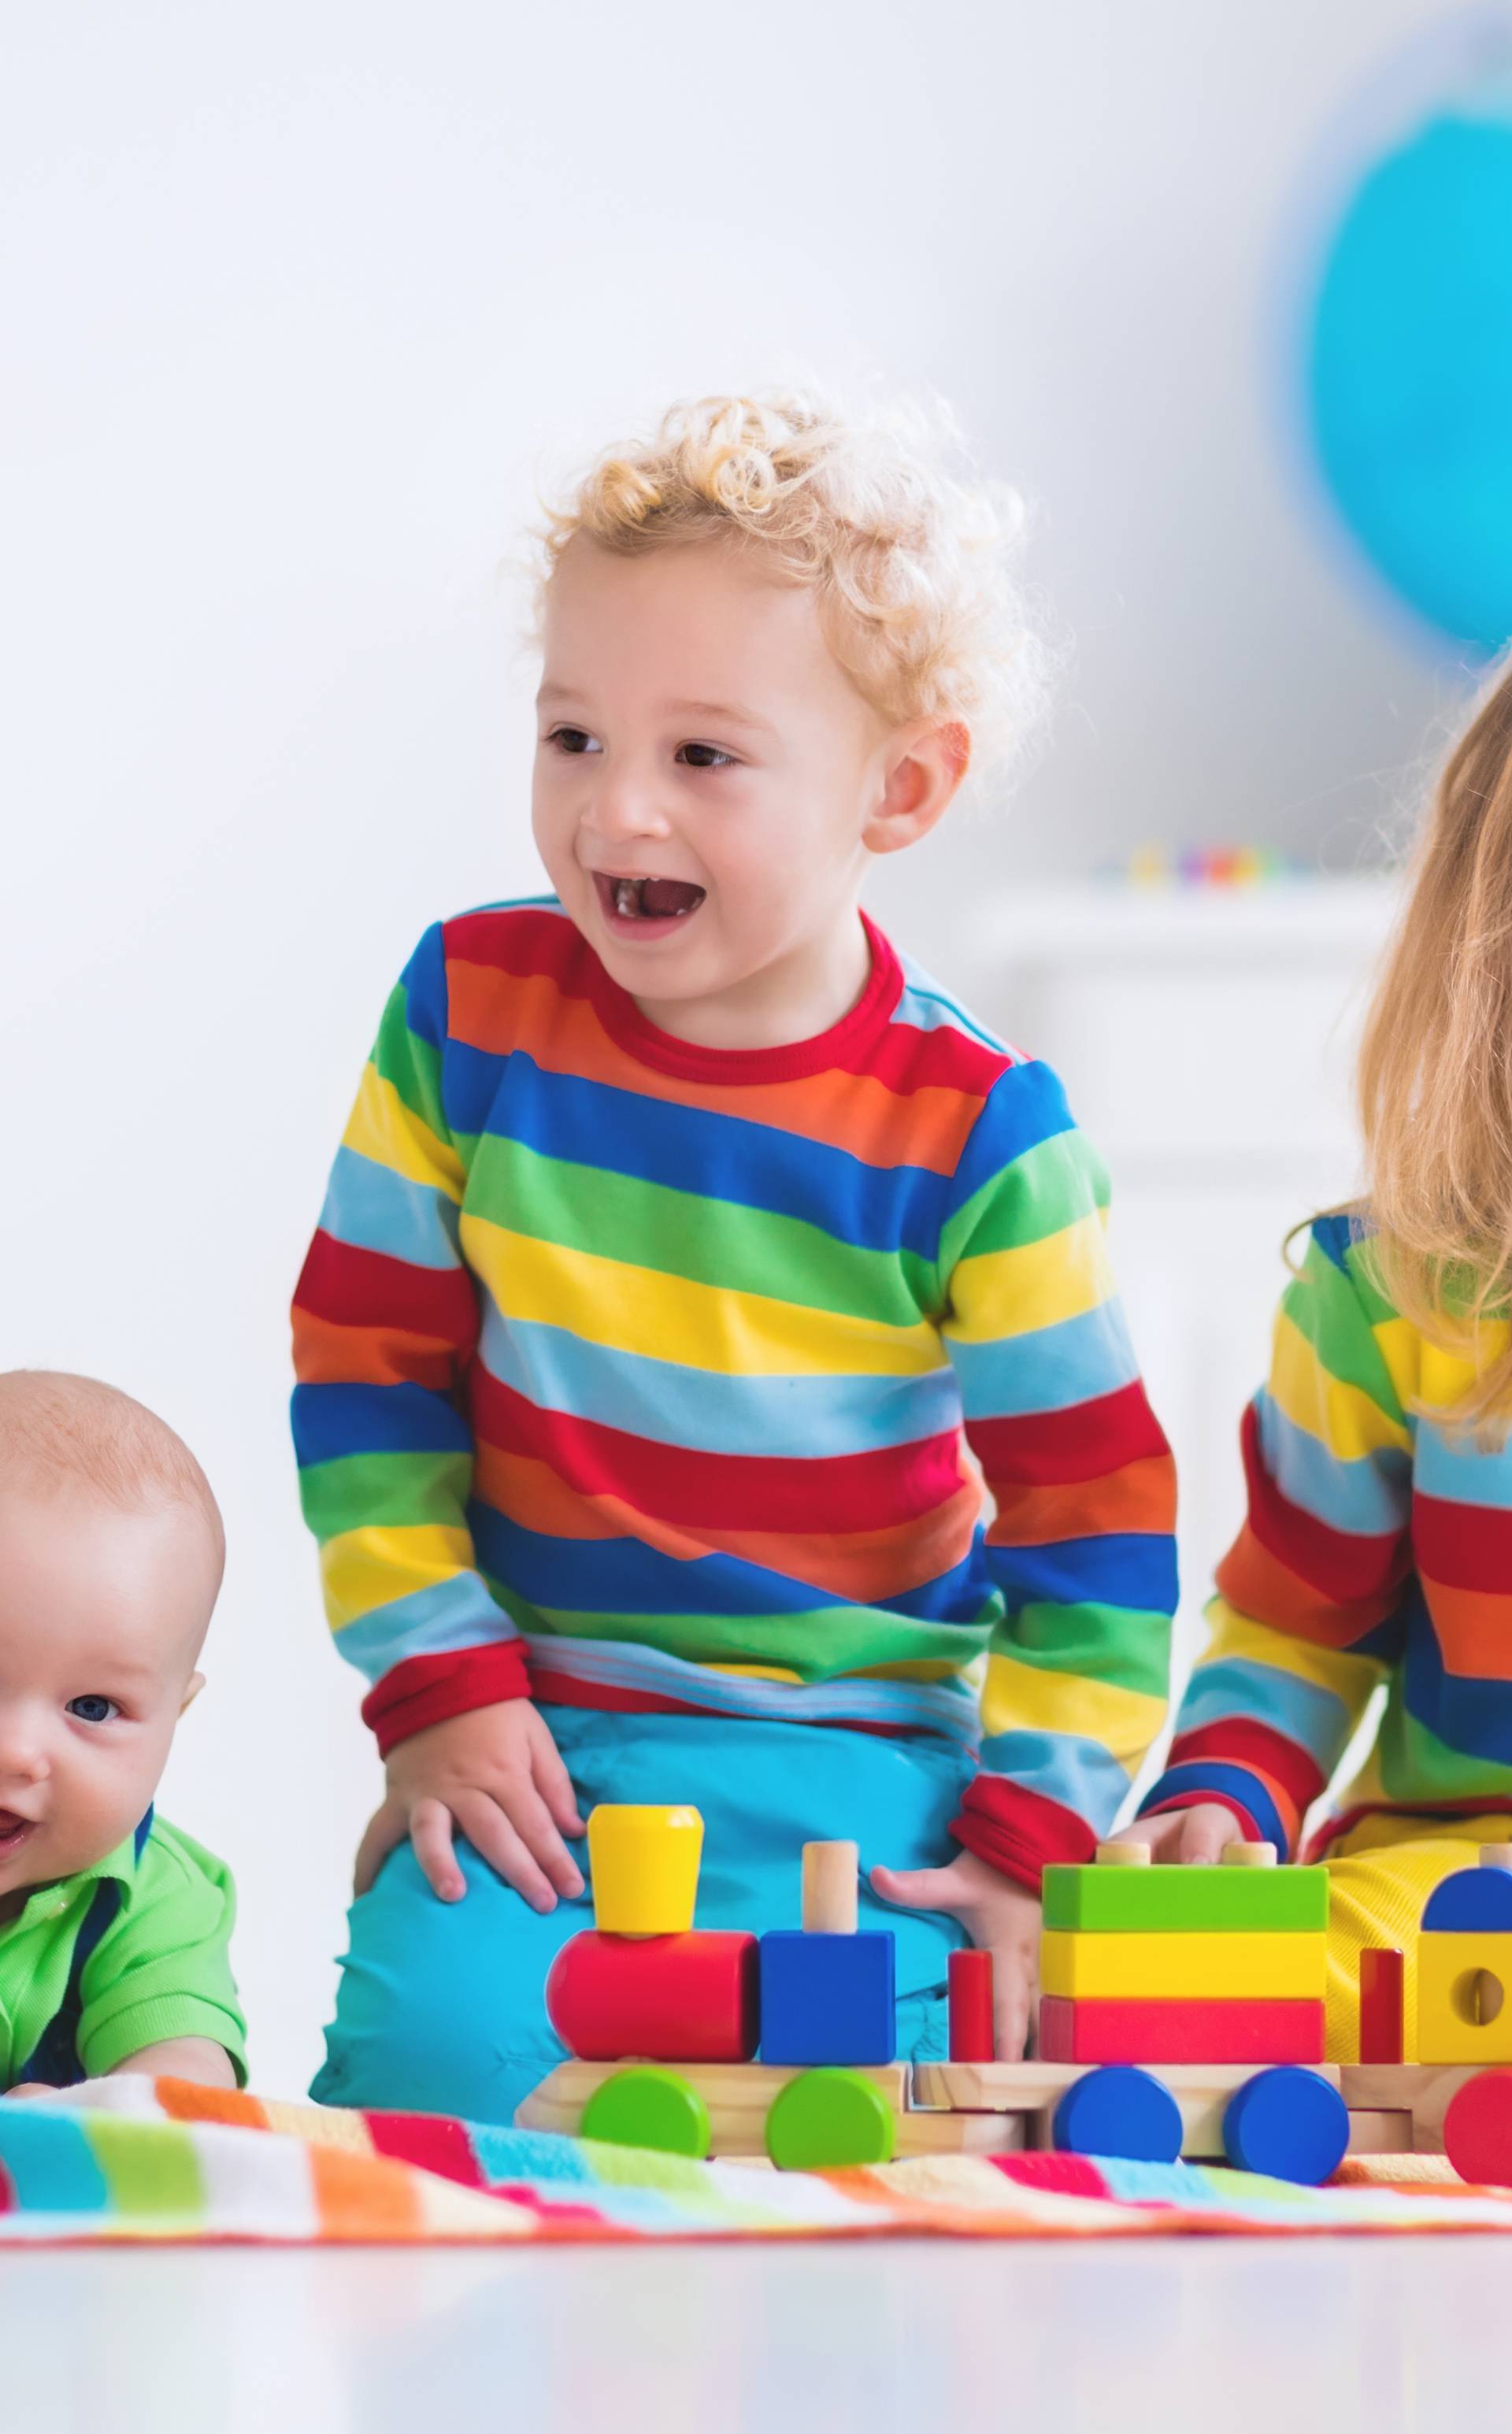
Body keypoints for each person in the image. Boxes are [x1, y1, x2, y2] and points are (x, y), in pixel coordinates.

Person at [292, 391, 1177, 2118]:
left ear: (900, 785)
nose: (619, 813)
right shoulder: (466, 1014)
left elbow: (1097, 1518)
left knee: (881, 2110)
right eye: (572, 738)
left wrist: (1024, 1848)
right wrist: (441, 1697)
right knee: (429, 2084)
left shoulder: (978, 1129)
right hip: (549, 1750)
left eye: (702, 756)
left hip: (870, 1768)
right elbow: (364, 1371)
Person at [1120, 661, 1512, 2058]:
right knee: (1182, 1990)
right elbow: (1299, 1622)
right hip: (1457, 1892)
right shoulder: (1391, 1288)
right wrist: (1224, 1793)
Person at [0, 1371, 244, 2092]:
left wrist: (101, 2120)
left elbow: (187, 2086)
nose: (15, 1750)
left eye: (94, 1707)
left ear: (176, 1717)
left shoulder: (158, 1899)